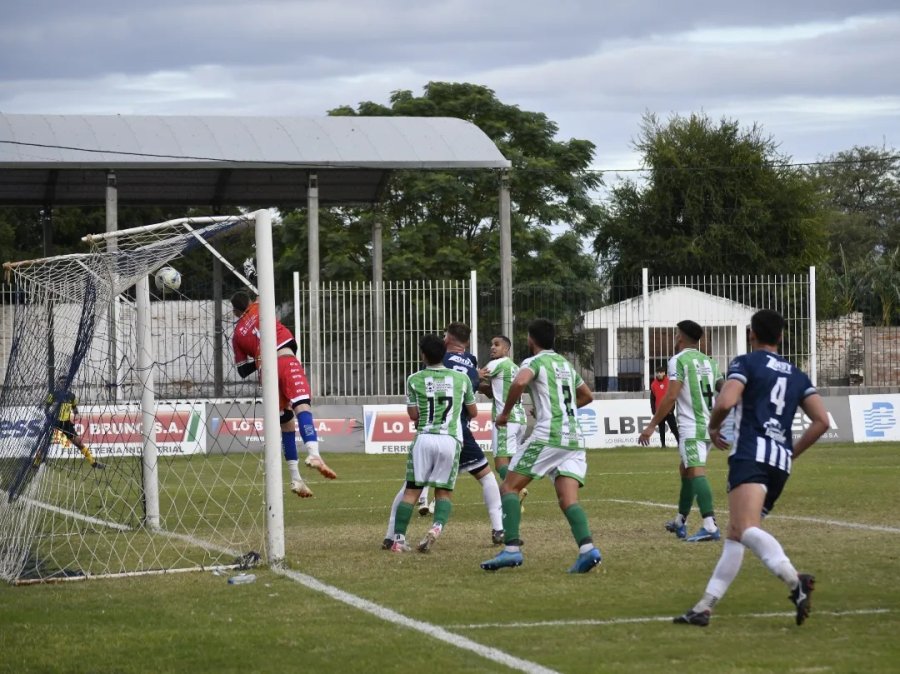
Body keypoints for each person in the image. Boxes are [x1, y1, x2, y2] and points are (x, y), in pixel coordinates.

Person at [673, 309, 829, 627]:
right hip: (780, 463)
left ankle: (795, 580)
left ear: (751, 335)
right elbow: (821, 421)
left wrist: (713, 427)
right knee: (736, 534)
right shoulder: (796, 374)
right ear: (781, 337)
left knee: (744, 529)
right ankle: (704, 607)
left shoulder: (746, 363)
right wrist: (791, 453)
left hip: (750, 456)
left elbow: (725, 402)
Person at [480, 318, 602, 573]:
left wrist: (504, 414)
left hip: (549, 436)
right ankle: (587, 549)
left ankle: (511, 550)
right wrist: (560, 411)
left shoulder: (533, 362)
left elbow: (520, 382)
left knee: (509, 487)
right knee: (568, 499)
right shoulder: (565, 364)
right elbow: (587, 396)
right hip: (574, 439)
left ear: (531, 339)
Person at [383, 322, 505, 547]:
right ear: (466, 342)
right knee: (483, 477)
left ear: (447, 339)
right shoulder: (470, 364)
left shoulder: (424, 371)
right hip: (455, 432)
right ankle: (498, 528)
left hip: (429, 431)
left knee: (410, 487)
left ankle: (392, 536)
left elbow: (414, 412)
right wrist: (479, 381)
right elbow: (472, 402)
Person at [231, 291, 336, 498]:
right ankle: (314, 454)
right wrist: (253, 276)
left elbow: (242, 370)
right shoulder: (260, 306)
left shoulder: (237, 335)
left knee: (286, 425)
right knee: (302, 406)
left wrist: (260, 358)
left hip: (266, 373)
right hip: (285, 361)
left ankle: (296, 479)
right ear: (250, 302)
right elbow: (264, 290)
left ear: (235, 312)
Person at [388, 334, 478, 553]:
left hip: (424, 438)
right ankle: (436, 528)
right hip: (450, 440)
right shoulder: (461, 379)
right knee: (443, 492)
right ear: (444, 353)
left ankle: (398, 540)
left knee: (412, 491)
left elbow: (413, 414)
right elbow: (473, 411)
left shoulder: (414, 379)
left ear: (423, 355)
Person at [639, 320, 723, 542]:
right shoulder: (710, 362)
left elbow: (671, 396)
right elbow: (723, 389)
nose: (675, 337)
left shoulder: (678, 360)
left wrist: (652, 425)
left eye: (676, 334)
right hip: (709, 426)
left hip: (691, 426)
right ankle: (679, 521)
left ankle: (710, 525)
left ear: (680, 337)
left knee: (696, 471)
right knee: (685, 470)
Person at [45, 376, 105, 469]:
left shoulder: (71, 396)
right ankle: (36, 463)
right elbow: (46, 408)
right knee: (45, 444)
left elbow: (74, 407)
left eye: (65, 382)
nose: (63, 384)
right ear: (58, 384)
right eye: (61, 382)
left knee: (79, 443)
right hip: (55, 422)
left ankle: (93, 463)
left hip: (67, 424)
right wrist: (49, 417)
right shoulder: (53, 394)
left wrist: (76, 413)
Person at [650, 364, 679, 448]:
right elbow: (652, 399)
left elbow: (673, 396)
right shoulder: (653, 384)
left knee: (674, 428)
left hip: (668, 410)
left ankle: (680, 443)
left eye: (660, 372)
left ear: (664, 373)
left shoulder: (669, 382)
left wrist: (672, 409)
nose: (659, 374)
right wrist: (654, 411)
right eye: (657, 372)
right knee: (661, 429)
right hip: (659, 411)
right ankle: (663, 445)